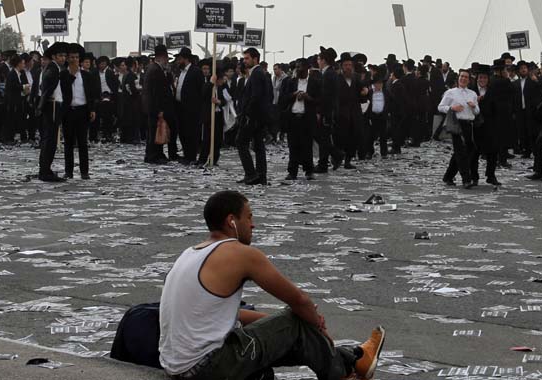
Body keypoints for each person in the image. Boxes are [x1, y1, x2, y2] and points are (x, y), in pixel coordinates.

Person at [158, 190, 385, 380]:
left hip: (177, 369)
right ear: (231, 221)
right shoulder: (239, 253)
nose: (253, 225)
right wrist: (318, 327)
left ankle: (354, 358)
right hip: (208, 367)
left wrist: (275, 324)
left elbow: (221, 314)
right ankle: (345, 372)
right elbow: (299, 300)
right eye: (249, 217)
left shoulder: (191, 254)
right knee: (296, 320)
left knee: (293, 331)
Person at [60, 43, 96, 180]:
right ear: (68, 59)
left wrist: (92, 109)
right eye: (72, 57)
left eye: (76, 57)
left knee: (83, 143)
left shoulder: (86, 76)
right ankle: (68, 171)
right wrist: (72, 75)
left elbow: (91, 94)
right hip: (68, 111)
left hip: (82, 111)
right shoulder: (63, 75)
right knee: (68, 143)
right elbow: (63, 89)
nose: (74, 59)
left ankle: (84, 172)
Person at [439, 69, 479, 189]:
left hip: (468, 124)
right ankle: (466, 179)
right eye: (461, 76)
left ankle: (448, 176)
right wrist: (452, 108)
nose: (463, 79)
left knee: (463, 151)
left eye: (466, 77)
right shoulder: (450, 92)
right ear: (458, 78)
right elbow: (440, 107)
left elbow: (477, 112)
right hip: (456, 124)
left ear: (469, 80)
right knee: (461, 152)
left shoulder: (472, 94)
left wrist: (474, 106)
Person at [236, 48, 270, 186]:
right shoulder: (256, 73)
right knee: (258, 145)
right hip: (257, 116)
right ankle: (260, 176)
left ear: (255, 59)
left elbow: (256, 96)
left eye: (247, 58)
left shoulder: (256, 74)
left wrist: (248, 114)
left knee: (240, 142)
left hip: (253, 117)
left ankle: (251, 174)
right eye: (244, 59)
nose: (245, 61)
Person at [283, 58, 320, 180]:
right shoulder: (291, 82)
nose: (297, 69)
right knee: (293, 146)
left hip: (306, 118)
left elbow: (319, 100)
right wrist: (294, 95)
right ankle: (292, 171)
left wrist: (307, 97)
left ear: (306, 68)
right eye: (296, 67)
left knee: (306, 146)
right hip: (293, 117)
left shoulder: (314, 83)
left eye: (300, 67)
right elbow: (283, 98)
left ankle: (309, 170)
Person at [36, 41, 68, 182]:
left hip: (54, 104)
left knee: (51, 140)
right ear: (54, 56)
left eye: (64, 56)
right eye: (60, 55)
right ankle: (44, 171)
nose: (63, 58)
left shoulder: (54, 68)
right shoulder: (53, 69)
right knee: (50, 140)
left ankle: (46, 169)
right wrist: (44, 103)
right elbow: (46, 87)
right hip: (52, 105)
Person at [144, 45, 175, 164]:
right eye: (166, 58)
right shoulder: (155, 70)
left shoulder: (155, 69)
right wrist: (160, 109)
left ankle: (157, 154)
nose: (167, 61)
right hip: (155, 107)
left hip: (153, 107)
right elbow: (157, 93)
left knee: (155, 131)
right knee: (154, 132)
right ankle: (153, 156)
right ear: (162, 57)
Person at [335, 53, 367, 169]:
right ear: (342, 66)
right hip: (341, 113)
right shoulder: (337, 78)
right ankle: (337, 159)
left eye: (350, 65)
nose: (348, 67)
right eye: (346, 65)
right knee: (340, 138)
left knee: (353, 137)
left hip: (354, 113)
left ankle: (348, 161)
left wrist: (365, 92)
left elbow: (362, 95)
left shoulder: (356, 78)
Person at [314, 46, 343, 173]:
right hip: (329, 111)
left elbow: (326, 96)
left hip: (327, 112)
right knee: (323, 138)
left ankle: (331, 158)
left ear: (324, 60)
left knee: (322, 137)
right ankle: (324, 162)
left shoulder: (328, 74)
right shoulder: (328, 73)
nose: (317, 62)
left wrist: (321, 112)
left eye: (319, 59)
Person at [174, 47, 205, 165]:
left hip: (191, 109)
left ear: (185, 59)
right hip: (180, 107)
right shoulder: (181, 72)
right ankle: (186, 155)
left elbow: (200, 90)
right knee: (182, 133)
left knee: (191, 133)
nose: (178, 62)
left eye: (180, 59)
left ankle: (191, 156)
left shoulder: (196, 71)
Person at [197, 70, 227, 167]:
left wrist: (219, 101)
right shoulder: (208, 86)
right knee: (207, 139)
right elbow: (203, 94)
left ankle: (214, 159)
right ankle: (202, 159)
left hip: (218, 116)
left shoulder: (222, 88)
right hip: (209, 116)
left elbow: (225, 100)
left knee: (217, 140)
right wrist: (211, 83)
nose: (223, 81)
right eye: (221, 79)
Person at [95, 56, 119, 142]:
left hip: (109, 96)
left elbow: (115, 84)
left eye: (104, 63)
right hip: (100, 96)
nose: (102, 65)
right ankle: (102, 134)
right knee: (100, 117)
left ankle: (109, 134)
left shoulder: (110, 73)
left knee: (109, 117)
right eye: (101, 63)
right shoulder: (95, 73)